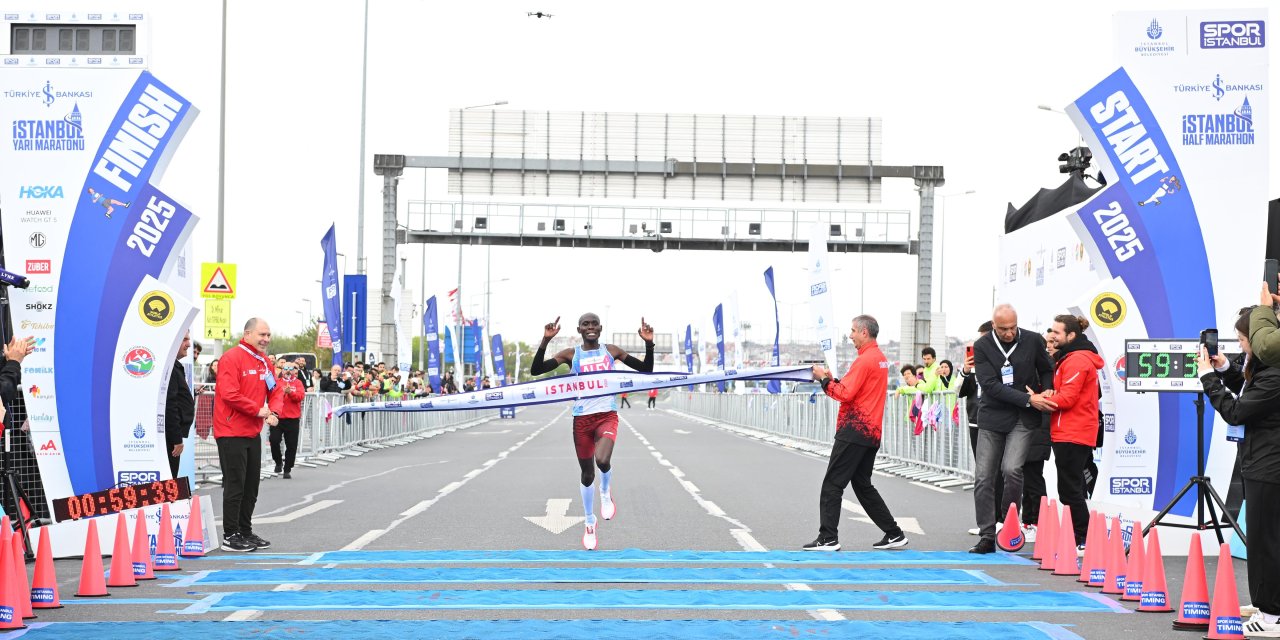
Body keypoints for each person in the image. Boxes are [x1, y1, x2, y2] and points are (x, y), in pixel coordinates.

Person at [530, 314, 654, 550]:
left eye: (593, 324)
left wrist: (648, 343)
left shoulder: (611, 351)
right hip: (582, 421)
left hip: (606, 415)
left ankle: (605, 492)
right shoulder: (571, 354)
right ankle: (589, 521)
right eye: (585, 324)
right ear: (579, 329)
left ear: (600, 328)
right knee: (587, 475)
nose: (590, 328)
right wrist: (545, 341)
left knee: (602, 459)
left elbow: (646, 369)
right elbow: (537, 370)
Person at [1202, 306, 1280, 637]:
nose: (1240, 345)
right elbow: (1251, 394)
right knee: (1264, 541)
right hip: (1261, 462)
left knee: (1266, 542)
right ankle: (1267, 606)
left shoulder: (1275, 374)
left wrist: (1207, 379)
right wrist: (1226, 369)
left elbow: (1236, 411)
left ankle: (1272, 615)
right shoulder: (1266, 370)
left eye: (1243, 340)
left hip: (1269, 466)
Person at [804, 315, 907, 551]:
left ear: (864, 332)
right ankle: (893, 533)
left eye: (852, 331)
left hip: (854, 429)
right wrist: (832, 380)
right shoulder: (880, 359)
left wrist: (823, 380)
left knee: (832, 483)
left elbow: (844, 394)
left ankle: (828, 537)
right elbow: (854, 389)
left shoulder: (865, 360)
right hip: (871, 431)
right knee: (862, 484)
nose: (850, 336)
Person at [969, 304, 1055, 554]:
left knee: (1012, 468)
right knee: (984, 476)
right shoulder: (983, 346)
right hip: (993, 416)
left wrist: (1046, 389)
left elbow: (1047, 368)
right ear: (994, 326)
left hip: (1022, 418)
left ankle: (1009, 523)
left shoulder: (1032, 340)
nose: (1009, 333)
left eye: (1013, 328)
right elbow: (991, 385)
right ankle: (986, 534)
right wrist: (1029, 399)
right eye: (1004, 329)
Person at [214, 318, 278, 552]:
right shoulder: (231, 358)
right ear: (247, 333)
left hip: (252, 432)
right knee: (235, 485)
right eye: (262, 334)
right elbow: (229, 393)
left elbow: (276, 389)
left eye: (269, 335)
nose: (266, 339)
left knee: (251, 486)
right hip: (230, 432)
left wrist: (275, 412)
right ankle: (230, 535)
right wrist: (258, 409)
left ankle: (245, 531)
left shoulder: (264, 362)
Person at [1044, 315, 1103, 547]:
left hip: (1073, 432)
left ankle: (1084, 538)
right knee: (1072, 487)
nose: (1052, 336)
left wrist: (1038, 400)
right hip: (1068, 431)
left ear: (1071, 335)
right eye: (1052, 331)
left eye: (1057, 333)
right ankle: (1081, 536)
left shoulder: (1077, 361)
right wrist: (1049, 395)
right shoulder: (1069, 358)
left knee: (1070, 490)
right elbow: (1065, 395)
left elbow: (1067, 399)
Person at [165, 332, 196, 479]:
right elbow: (170, 405)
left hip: (171, 437)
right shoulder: (169, 367)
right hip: (169, 439)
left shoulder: (174, 365)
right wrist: (176, 438)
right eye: (185, 339)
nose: (189, 344)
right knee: (169, 480)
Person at [269, 359, 305, 479]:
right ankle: (278, 462)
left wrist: (291, 393)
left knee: (291, 445)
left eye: (291, 369)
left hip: (292, 419)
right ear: (282, 371)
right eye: (286, 369)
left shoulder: (298, 383)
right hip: (278, 417)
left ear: (294, 371)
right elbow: (271, 396)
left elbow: (300, 397)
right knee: (274, 440)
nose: (288, 371)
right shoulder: (277, 382)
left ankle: (287, 468)